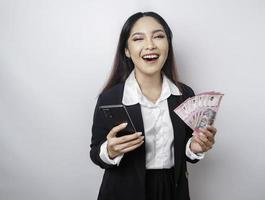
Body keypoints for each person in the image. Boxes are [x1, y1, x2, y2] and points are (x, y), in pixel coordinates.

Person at [90, 11, 217, 200]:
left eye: (158, 36)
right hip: (124, 191)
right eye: (138, 39)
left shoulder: (185, 95)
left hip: (173, 191)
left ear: (168, 45)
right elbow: (95, 153)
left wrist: (195, 148)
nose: (150, 45)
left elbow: (187, 152)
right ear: (126, 50)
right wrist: (110, 150)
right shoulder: (110, 98)